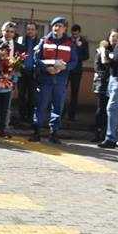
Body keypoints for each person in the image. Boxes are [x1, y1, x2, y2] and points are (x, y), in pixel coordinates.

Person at [30, 16, 78, 144]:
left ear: (65, 28)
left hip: (61, 80)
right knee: (41, 106)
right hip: (45, 78)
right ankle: (37, 132)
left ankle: (53, 133)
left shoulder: (69, 43)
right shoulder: (44, 41)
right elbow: (36, 59)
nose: (57, 28)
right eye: (55, 26)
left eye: (60, 26)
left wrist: (64, 67)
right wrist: (47, 69)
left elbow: (74, 62)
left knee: (57, 107)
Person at [93, 31, 118, 142]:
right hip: (103, 83)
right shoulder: (102, 50)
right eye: (112, 36)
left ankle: (110, 134)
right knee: (101, 109)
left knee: (113, 110)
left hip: (115, 83)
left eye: (117, 37)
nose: (114, 39)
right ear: (108, 37)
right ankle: (98, 133)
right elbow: (97, 66)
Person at [65, 23, 91, 120]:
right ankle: (61, 113)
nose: (74, 36)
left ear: (79, 33)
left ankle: (72, 115)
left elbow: (86, 56)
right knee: (62, 91)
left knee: (74, 93)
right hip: (67, 69)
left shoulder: (84, 42)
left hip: (77, 70)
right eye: (73, 34)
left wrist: (79, 48)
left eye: (76, 34)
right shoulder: (67, 40)